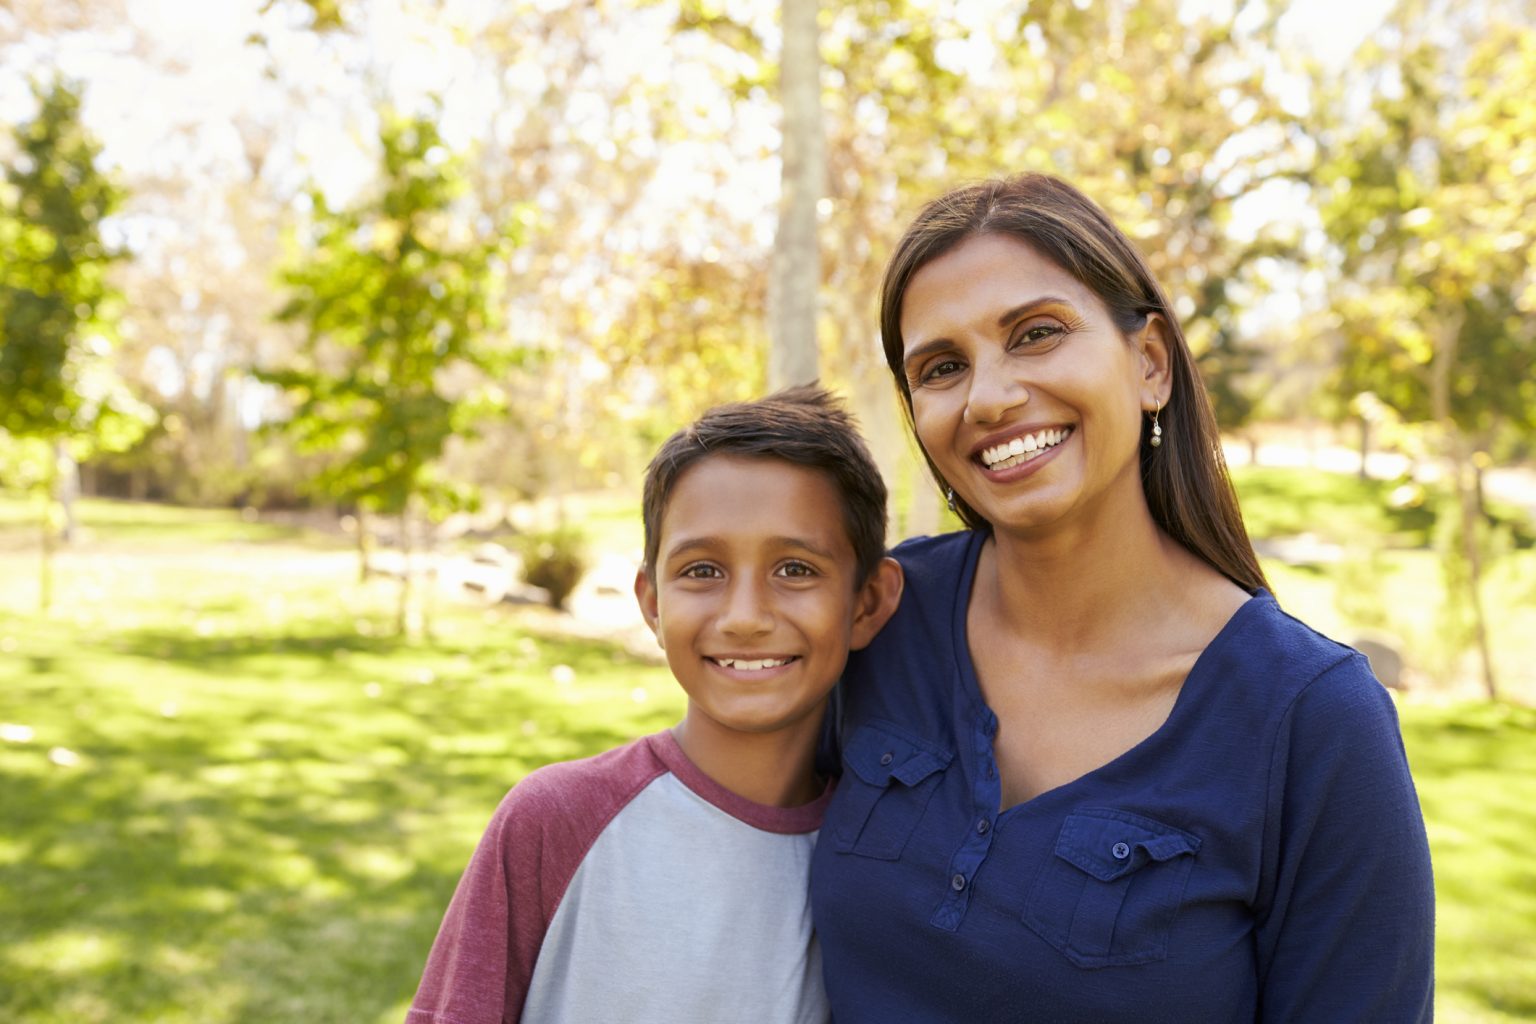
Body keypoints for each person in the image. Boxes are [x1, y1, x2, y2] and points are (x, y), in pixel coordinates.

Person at [809, 174, 1435, 1022]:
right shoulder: (878, 620)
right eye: (943, 367)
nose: (989, 396)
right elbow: (717, 826)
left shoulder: (1313, 722)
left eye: (1035, 334)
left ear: (1149, 363)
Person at [407, 385, 904, 1024]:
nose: (745, 618)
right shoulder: (552, 822)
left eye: (795, 569)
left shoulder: (878, 854)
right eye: (702, 570)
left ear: (867, 602)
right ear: (651, 603)